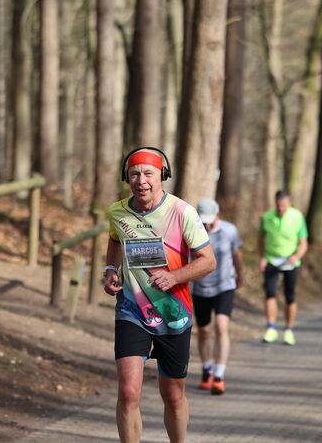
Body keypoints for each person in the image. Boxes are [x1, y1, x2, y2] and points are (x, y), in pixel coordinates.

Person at [103, 147, 216, 443]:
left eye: (148, 174)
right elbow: (115, 240)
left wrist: (175, 276)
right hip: (131, 310)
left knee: (173, 395)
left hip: (173, 313)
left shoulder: (182, 212)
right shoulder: (117, 212)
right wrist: (110, 269)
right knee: (128, 392)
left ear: (162, 176)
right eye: (134, 174)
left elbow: (208, 261)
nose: (141, 180)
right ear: (126, 177)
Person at [192, 199, 243, 396]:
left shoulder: (229, 230)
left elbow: (236, 254)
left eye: (209, 221)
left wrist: (240, 275)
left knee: (222, 327)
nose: (206, 225)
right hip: (200, 288)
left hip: (224, 286)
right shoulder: (192, 231)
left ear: (217, 215)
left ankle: (219, 376)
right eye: (203, 221)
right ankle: (207, 370)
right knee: (204, 332)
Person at [258, 190, 308, 345]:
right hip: (272, 259)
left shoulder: (297, 217)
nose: (281, 209)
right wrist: (262, 257)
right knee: (270, 293)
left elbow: (303, 243)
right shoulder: (267, 217)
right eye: (279, 205)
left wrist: (297, 256)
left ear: (289, 203)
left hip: (290, 260)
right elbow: (260, 238)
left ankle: (289, 330)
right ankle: (271, 328)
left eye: (284, 206)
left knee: (289, 295)